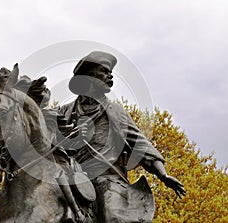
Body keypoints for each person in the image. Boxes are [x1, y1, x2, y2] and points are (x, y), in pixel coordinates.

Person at [55, 51, 186, 222]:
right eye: (104, 71)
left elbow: (141, 145)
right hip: (70, 177)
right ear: (89, 77)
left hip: (105, 179)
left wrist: (163, 175)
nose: (110, 76)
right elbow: (47, 142)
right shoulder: (64, 112)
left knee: (111, 210)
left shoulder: (116, 113)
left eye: (111, 72)